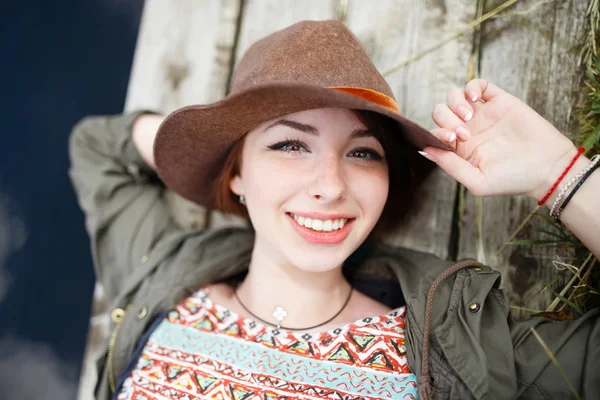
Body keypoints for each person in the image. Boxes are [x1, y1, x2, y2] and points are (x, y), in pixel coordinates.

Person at [69, 20, 600, 400]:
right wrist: (211, 132)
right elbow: (94, 145)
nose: (330, 185)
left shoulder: (458, 344)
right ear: (236, 174)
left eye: (363, 152)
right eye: (290, 145)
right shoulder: (161, 277)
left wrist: (559, 173)